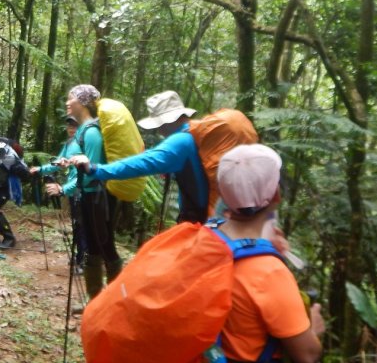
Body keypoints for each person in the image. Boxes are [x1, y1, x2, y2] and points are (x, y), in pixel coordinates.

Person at [208, 144, 325, 363]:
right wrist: (315, 326)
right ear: (275, 195)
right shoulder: (267, 271)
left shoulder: (203, 238)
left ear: (223, 193)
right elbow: (306, 354)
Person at [70, 90, 229, 224]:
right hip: (211, 215)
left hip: (199, 220)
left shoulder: (180, 142)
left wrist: (94, 169)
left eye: (159, 124)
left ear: (170, 119)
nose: (158, 129)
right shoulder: (192, 134)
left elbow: (142, 164)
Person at [45, 84, 121, 303]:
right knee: (93, 248)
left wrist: (63, 189)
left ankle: (115, 301)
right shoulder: (81, 131)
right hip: (88, 197)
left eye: (72, 99)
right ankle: (95, 300)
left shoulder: (92, 133)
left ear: (84, 103)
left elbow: (92, 170)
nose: (68, 103)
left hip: (99, 197)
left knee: (106, 248)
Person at [31, 115, 86, 273]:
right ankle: (79, 256)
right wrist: (41, 170)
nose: (71, 128)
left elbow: (80, 176)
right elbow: (57, 163)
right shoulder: (69, 143)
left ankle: (83, 261)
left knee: (83, 227)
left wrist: (63, 189)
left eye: (74, 125)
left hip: (83, 192)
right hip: (74, 192)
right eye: (69, 125)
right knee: (77, 225)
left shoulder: (85, 144)